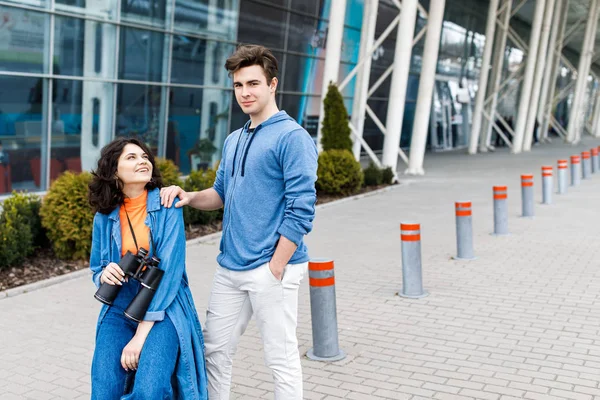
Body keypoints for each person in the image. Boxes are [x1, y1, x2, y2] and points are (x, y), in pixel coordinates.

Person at [160, 44, 318, 399]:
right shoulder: (234, 139)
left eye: (253, 83)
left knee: (280, 357)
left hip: (271, 268)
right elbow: (220, 193)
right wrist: (188, 197)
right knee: (214, 351)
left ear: (272, 84)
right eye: (238, 85)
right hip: (229, 267)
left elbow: (303, 207)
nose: (245, 92)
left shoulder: (293, 138)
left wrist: (276, 265)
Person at [88, 137, 208, 399]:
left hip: (162, 304)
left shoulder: (167, 206)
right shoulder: (104, 216)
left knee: (149, 388)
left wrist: (140, 336)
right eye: (131, 157)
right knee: (104, 384)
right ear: (113, 170)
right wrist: (103, 274)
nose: (142, 161)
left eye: (144, 157)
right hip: (119, 303)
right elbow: (96, 267)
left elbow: (170, 274)